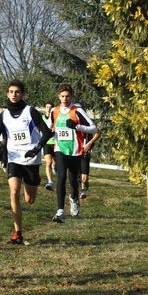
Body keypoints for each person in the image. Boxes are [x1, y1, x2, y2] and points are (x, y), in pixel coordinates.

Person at [0, 79, 53, 244]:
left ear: (22, 94)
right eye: (11, 92)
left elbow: (47, 133)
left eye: (17, 92)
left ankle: (35, 181)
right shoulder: (4, 115)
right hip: (14, 158)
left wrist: (37, 148)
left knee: (29, 200)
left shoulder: (30, 111)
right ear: (7, 94)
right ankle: (17, 233)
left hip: (31, 159)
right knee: (13, 192)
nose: (14, 95)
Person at [48, 83, 98, 223]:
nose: (65, 99)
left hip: (76, 150)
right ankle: (60, 211)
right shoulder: (54, 111)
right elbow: (48, 128)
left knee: (72, 181)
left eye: (68, 96)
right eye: (62, 96)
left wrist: (76, 126)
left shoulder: (77, 111)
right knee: (61, 176)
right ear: (59, 96)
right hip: (60, 148)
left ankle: (74, 198)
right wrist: (48, 135)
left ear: (72, 97)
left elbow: (94, 128)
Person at [74, 103, 101, 199]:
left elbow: (98, 132)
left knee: (84, 176)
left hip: (85, 150)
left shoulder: (88, 123)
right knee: (75, 172)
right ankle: (80, 189)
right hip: (74, 150)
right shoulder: (72, 121)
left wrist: (90, 143)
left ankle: (83, 186)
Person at [41, 101, 57, 191]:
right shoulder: (42, 118)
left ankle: (55, 166)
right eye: (47, 107)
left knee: (55, 162)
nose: (49, 109)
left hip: (55, 143)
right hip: (46, 143)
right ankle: (50, 181)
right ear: (45, 108)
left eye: (50, 107)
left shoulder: (56, 118)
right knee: (48, 162)